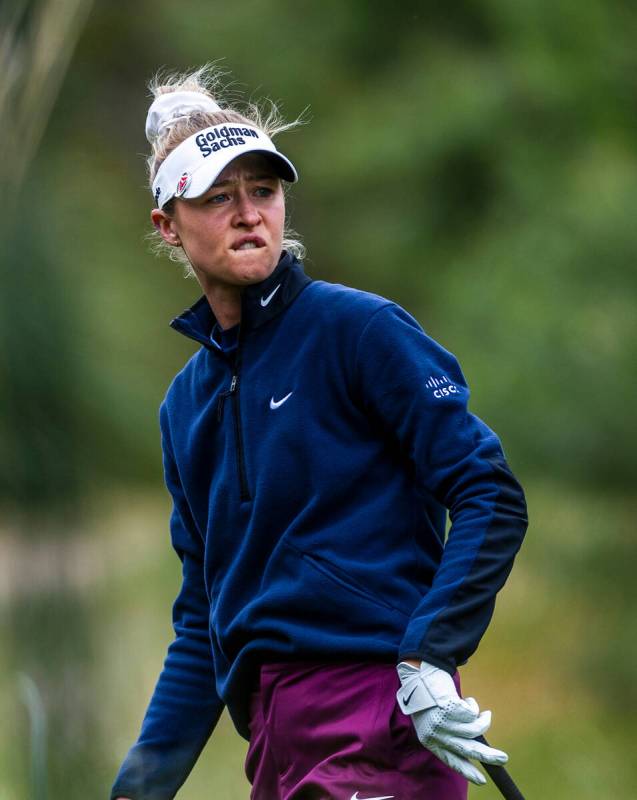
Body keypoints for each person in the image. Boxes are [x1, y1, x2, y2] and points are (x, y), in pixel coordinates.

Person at [111, 65, 528, 800]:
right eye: (217, 198)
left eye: (263, 192)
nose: (248, 214)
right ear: (167, 226)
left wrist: (429, 656)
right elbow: (202, 617)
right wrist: (139, 785)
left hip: (379, 709)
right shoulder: (185, 405)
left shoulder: (357, 331)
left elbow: (488, 492)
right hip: (274, 733)